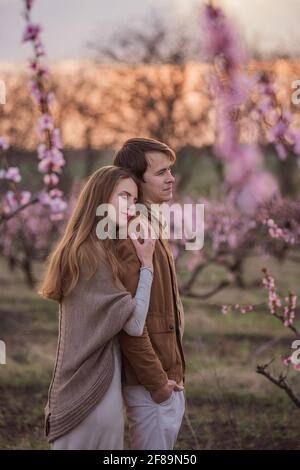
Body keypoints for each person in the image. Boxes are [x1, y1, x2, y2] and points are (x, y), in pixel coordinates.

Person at [39, 165, 156, 450]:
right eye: (124, 196)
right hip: (93, 392)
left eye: (134, 199)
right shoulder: (91, 255)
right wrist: (147, 266)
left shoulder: (82, 247)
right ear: (102, 198)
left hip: (77, 387)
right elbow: (134, 324)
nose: (132, 206)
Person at [113, 137, 186, 450]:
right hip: (151, 385)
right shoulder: (134, 233)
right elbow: (130, 321)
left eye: (171, 170)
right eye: (161, 172)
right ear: (136, 181)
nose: (171, 178)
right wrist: (157, 384)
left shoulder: (150, 225)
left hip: (165, 377)